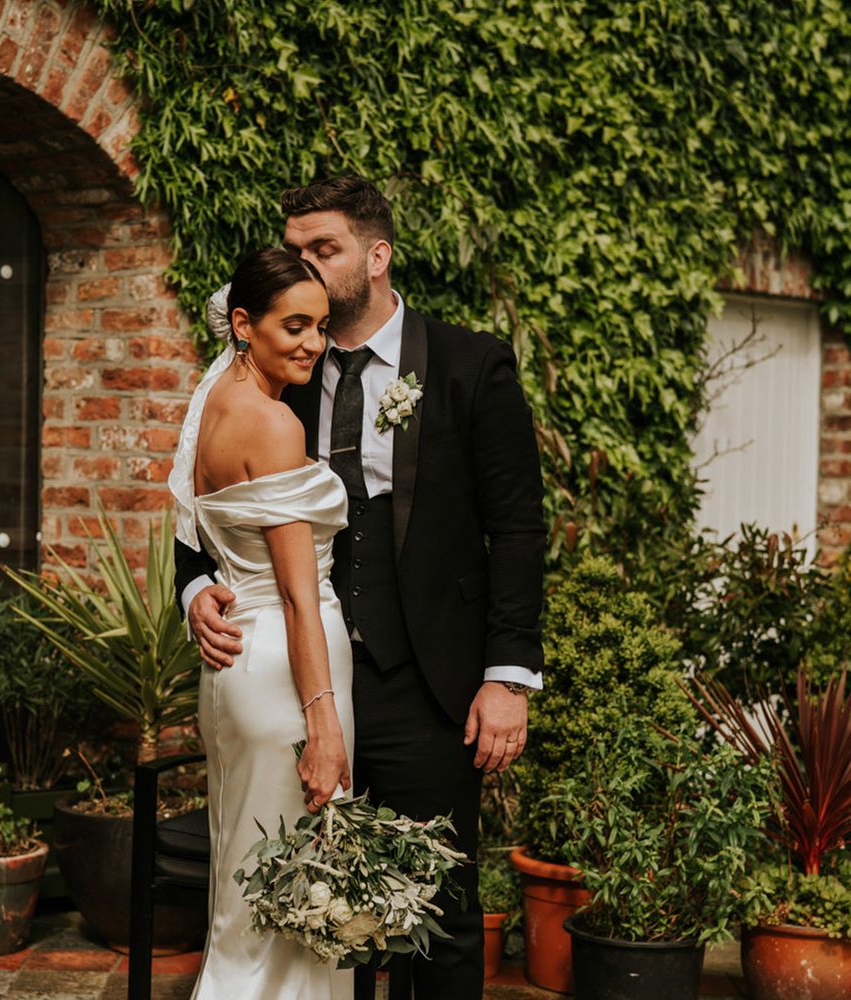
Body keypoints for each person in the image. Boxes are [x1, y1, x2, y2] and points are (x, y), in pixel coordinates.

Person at [177, 176, 545, 1000]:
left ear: (376, 257)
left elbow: (517, 528)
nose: (302, 263)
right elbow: (201, 502)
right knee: (306, 913)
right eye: (293, 248)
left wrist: (506, 675)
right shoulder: (278, 362)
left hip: (429, 683)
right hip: (302, 682)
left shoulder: (468, 365)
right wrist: (197, 584)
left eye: (323, 249)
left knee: (438, 921)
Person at [168, 247, 355, 999]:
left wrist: (198, 589)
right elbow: (298, 597)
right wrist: (326, 725)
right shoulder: (274, 425)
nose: (313, 341)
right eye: (295, 325)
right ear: (243, 324)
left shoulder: (214, 399)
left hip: (238, 670)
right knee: (294, 905)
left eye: (320, 325)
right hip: (288, 671)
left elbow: (189, 513)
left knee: (247, 897)